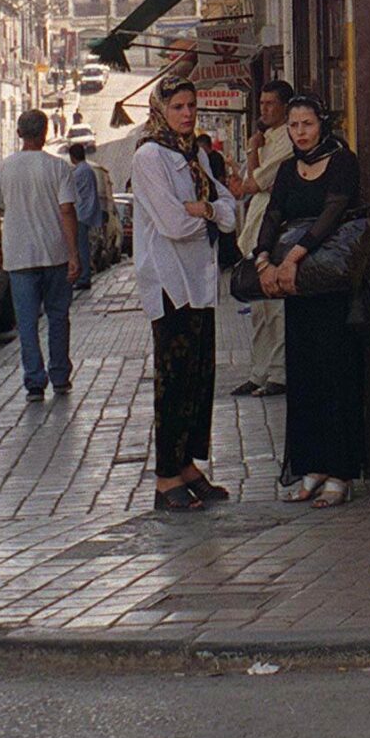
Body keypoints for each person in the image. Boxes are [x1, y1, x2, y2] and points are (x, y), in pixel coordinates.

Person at [132, 78, 240, 511]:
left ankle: (187, 465)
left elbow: (230, 210)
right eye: (177, 106)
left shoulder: (193, 153)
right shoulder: (149, 156)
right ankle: (165, 477)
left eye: (191, 105)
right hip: (168, 281)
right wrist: (206, 216)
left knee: (199, 377)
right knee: (173, 380)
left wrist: (208, 211)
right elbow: (172, 225)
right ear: (161, 109)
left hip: (200, 279)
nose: (187, 113)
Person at [258, 96, 367, 507]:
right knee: (304, 375)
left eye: (307, 123)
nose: (300, 132)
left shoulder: (342, 162)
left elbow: (331, 215)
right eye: (294, 125)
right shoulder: (287, 169)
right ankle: (312, 466)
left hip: (331, 286)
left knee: (337, 371)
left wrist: (293, 258)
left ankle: (340, 472)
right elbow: (273, 214)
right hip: (297, 288)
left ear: (321, 124)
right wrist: (264, 259)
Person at [0, 110, 81, 400]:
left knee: (27, 322)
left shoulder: (4, 168)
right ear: (45, 133)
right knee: (58, 317)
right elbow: (67, 210)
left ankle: (34, 381)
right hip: (54, 254)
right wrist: (73, 254)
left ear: (19, 134)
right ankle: (60, 376)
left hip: (19, 258)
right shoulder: (59, 168)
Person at [227, 80, 296, 398]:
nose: (265, 109)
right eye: (262, 103)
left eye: (271, 103)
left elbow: (253, 183)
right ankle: (259, 371)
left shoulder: (285, 141)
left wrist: (253, 149)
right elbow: (244, 185)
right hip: (255, 231)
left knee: (276, 309)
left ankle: (279, 373)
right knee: (259, 310)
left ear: (285, 106)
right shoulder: (266, 137)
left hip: (275, 232)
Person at [67, 140, 103, 290]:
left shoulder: (79, 172)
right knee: (83, 247)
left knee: (81, 247)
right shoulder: (87, 169)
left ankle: (84, 277)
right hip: (85, 212)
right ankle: (84, 275)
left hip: (80, 213)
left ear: (72, 157)